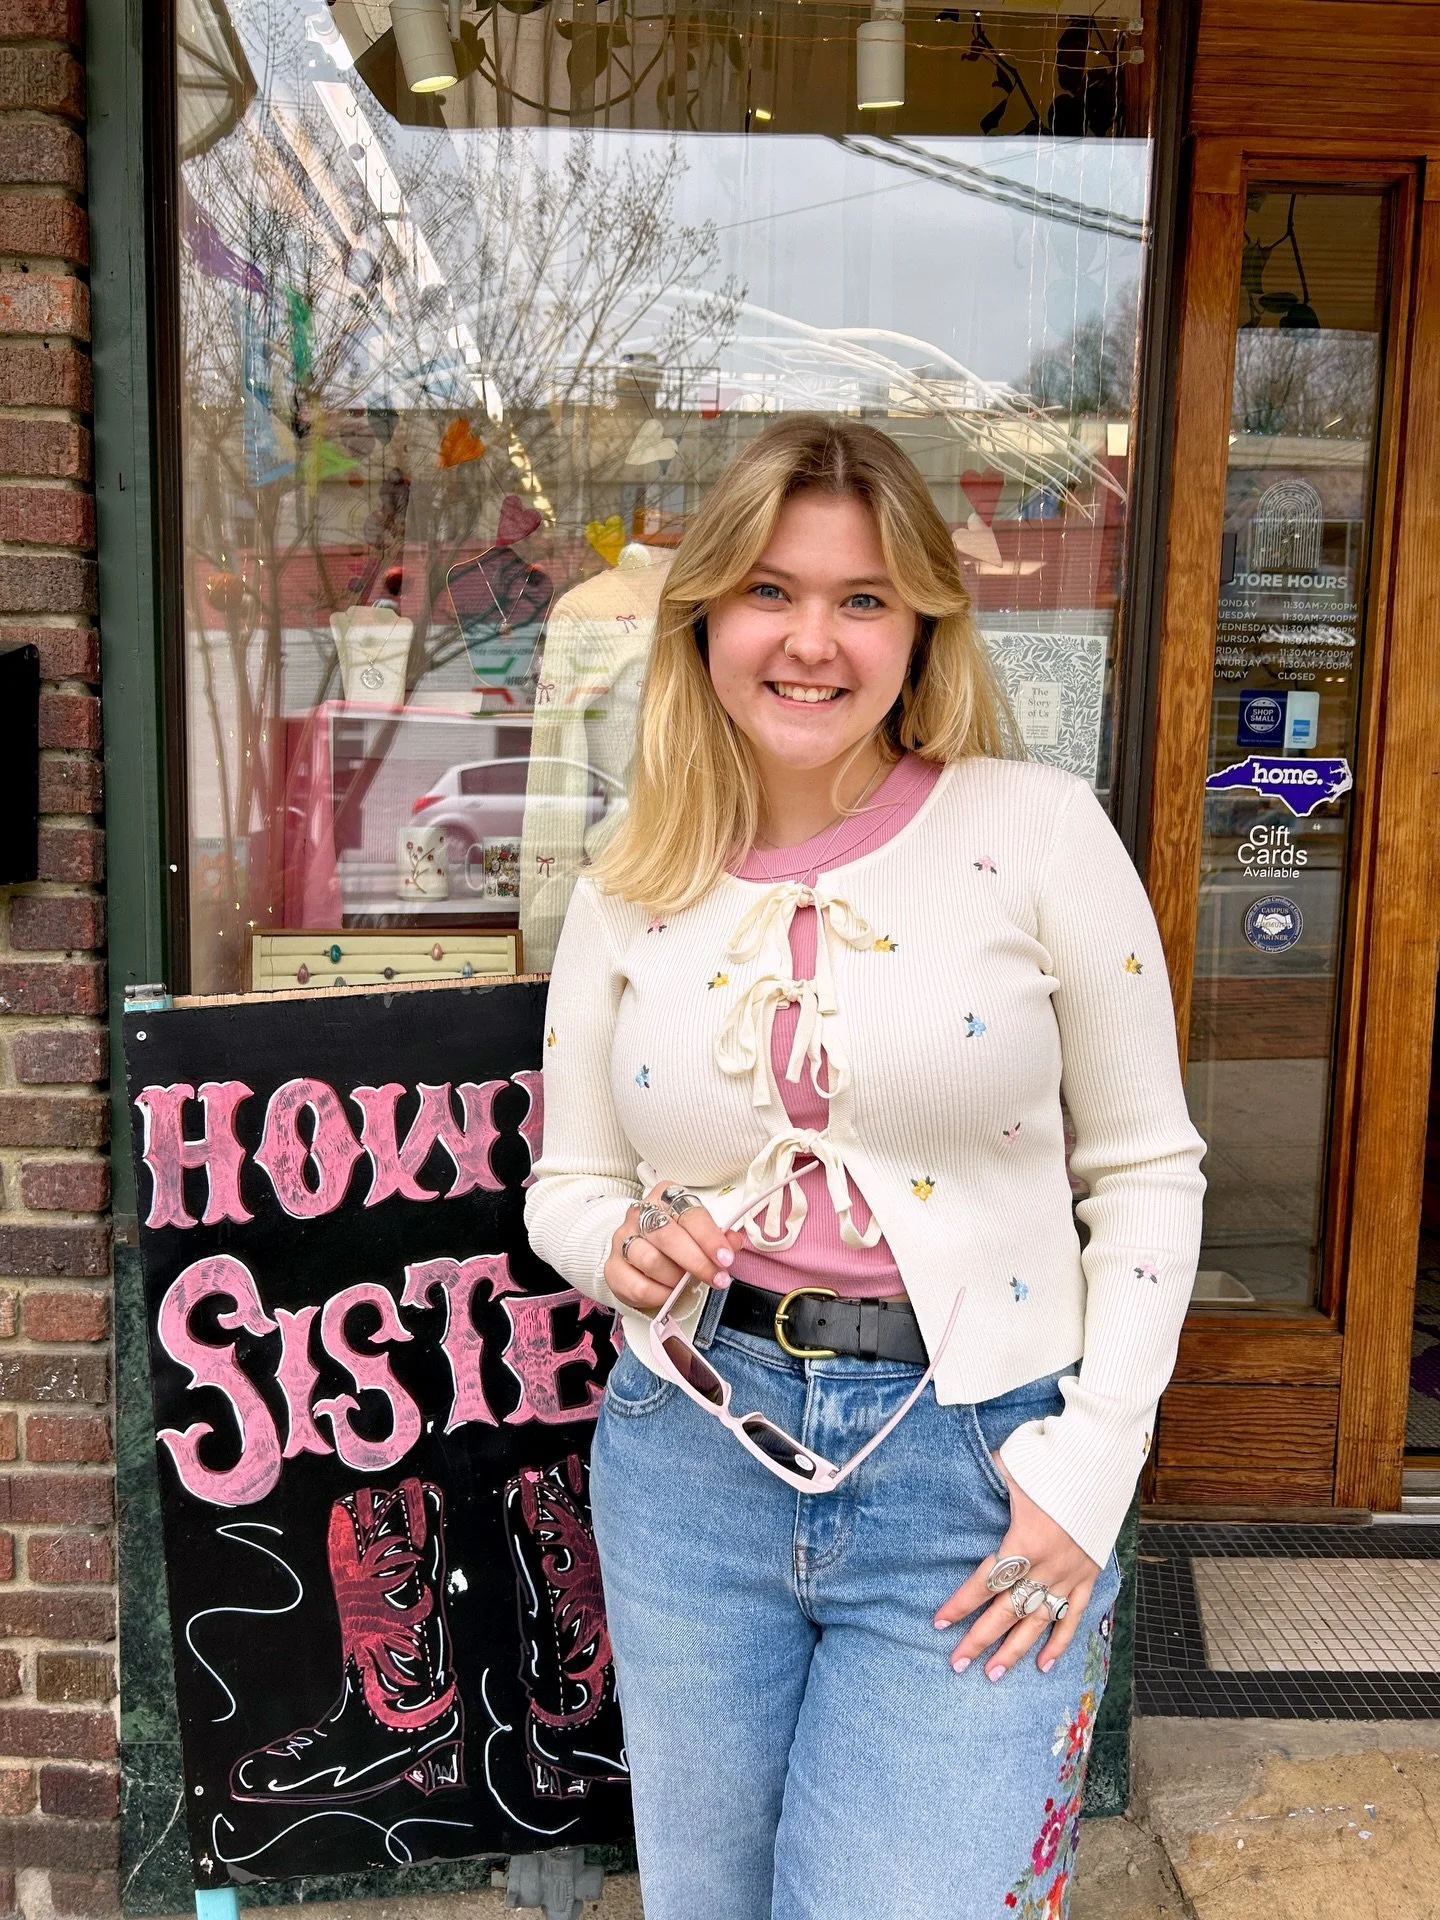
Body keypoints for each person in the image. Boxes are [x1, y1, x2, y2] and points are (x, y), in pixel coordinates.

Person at [525, 416, 1205, 1920]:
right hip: (693, 1452)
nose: (812, 641)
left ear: (922, 628)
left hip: (975, 1465)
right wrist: (617, 1249)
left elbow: (1151, 1171)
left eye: (863, 599)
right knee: (708, 1901)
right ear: (705, 615)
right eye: (771, 592)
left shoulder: (1036, 833)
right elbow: (567, 1183)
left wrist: (1088, 1472)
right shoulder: (632, 876)